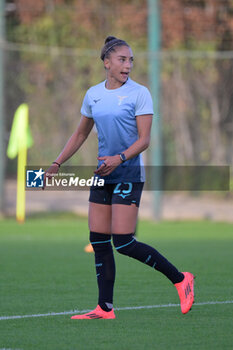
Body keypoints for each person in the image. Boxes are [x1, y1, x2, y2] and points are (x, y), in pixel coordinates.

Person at [45, 36, 195, 320]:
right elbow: (80, 134)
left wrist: (120, 158)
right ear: (107, 62)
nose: (128, 65)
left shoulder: (140, 93)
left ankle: (180, 279)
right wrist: (57, 162)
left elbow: (144, 140)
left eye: (131, 60)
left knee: (124, 242)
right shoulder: (93, 95)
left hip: (127, 172)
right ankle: (105, 308)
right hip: (102, 176)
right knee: (99, 241)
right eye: (122, 60)